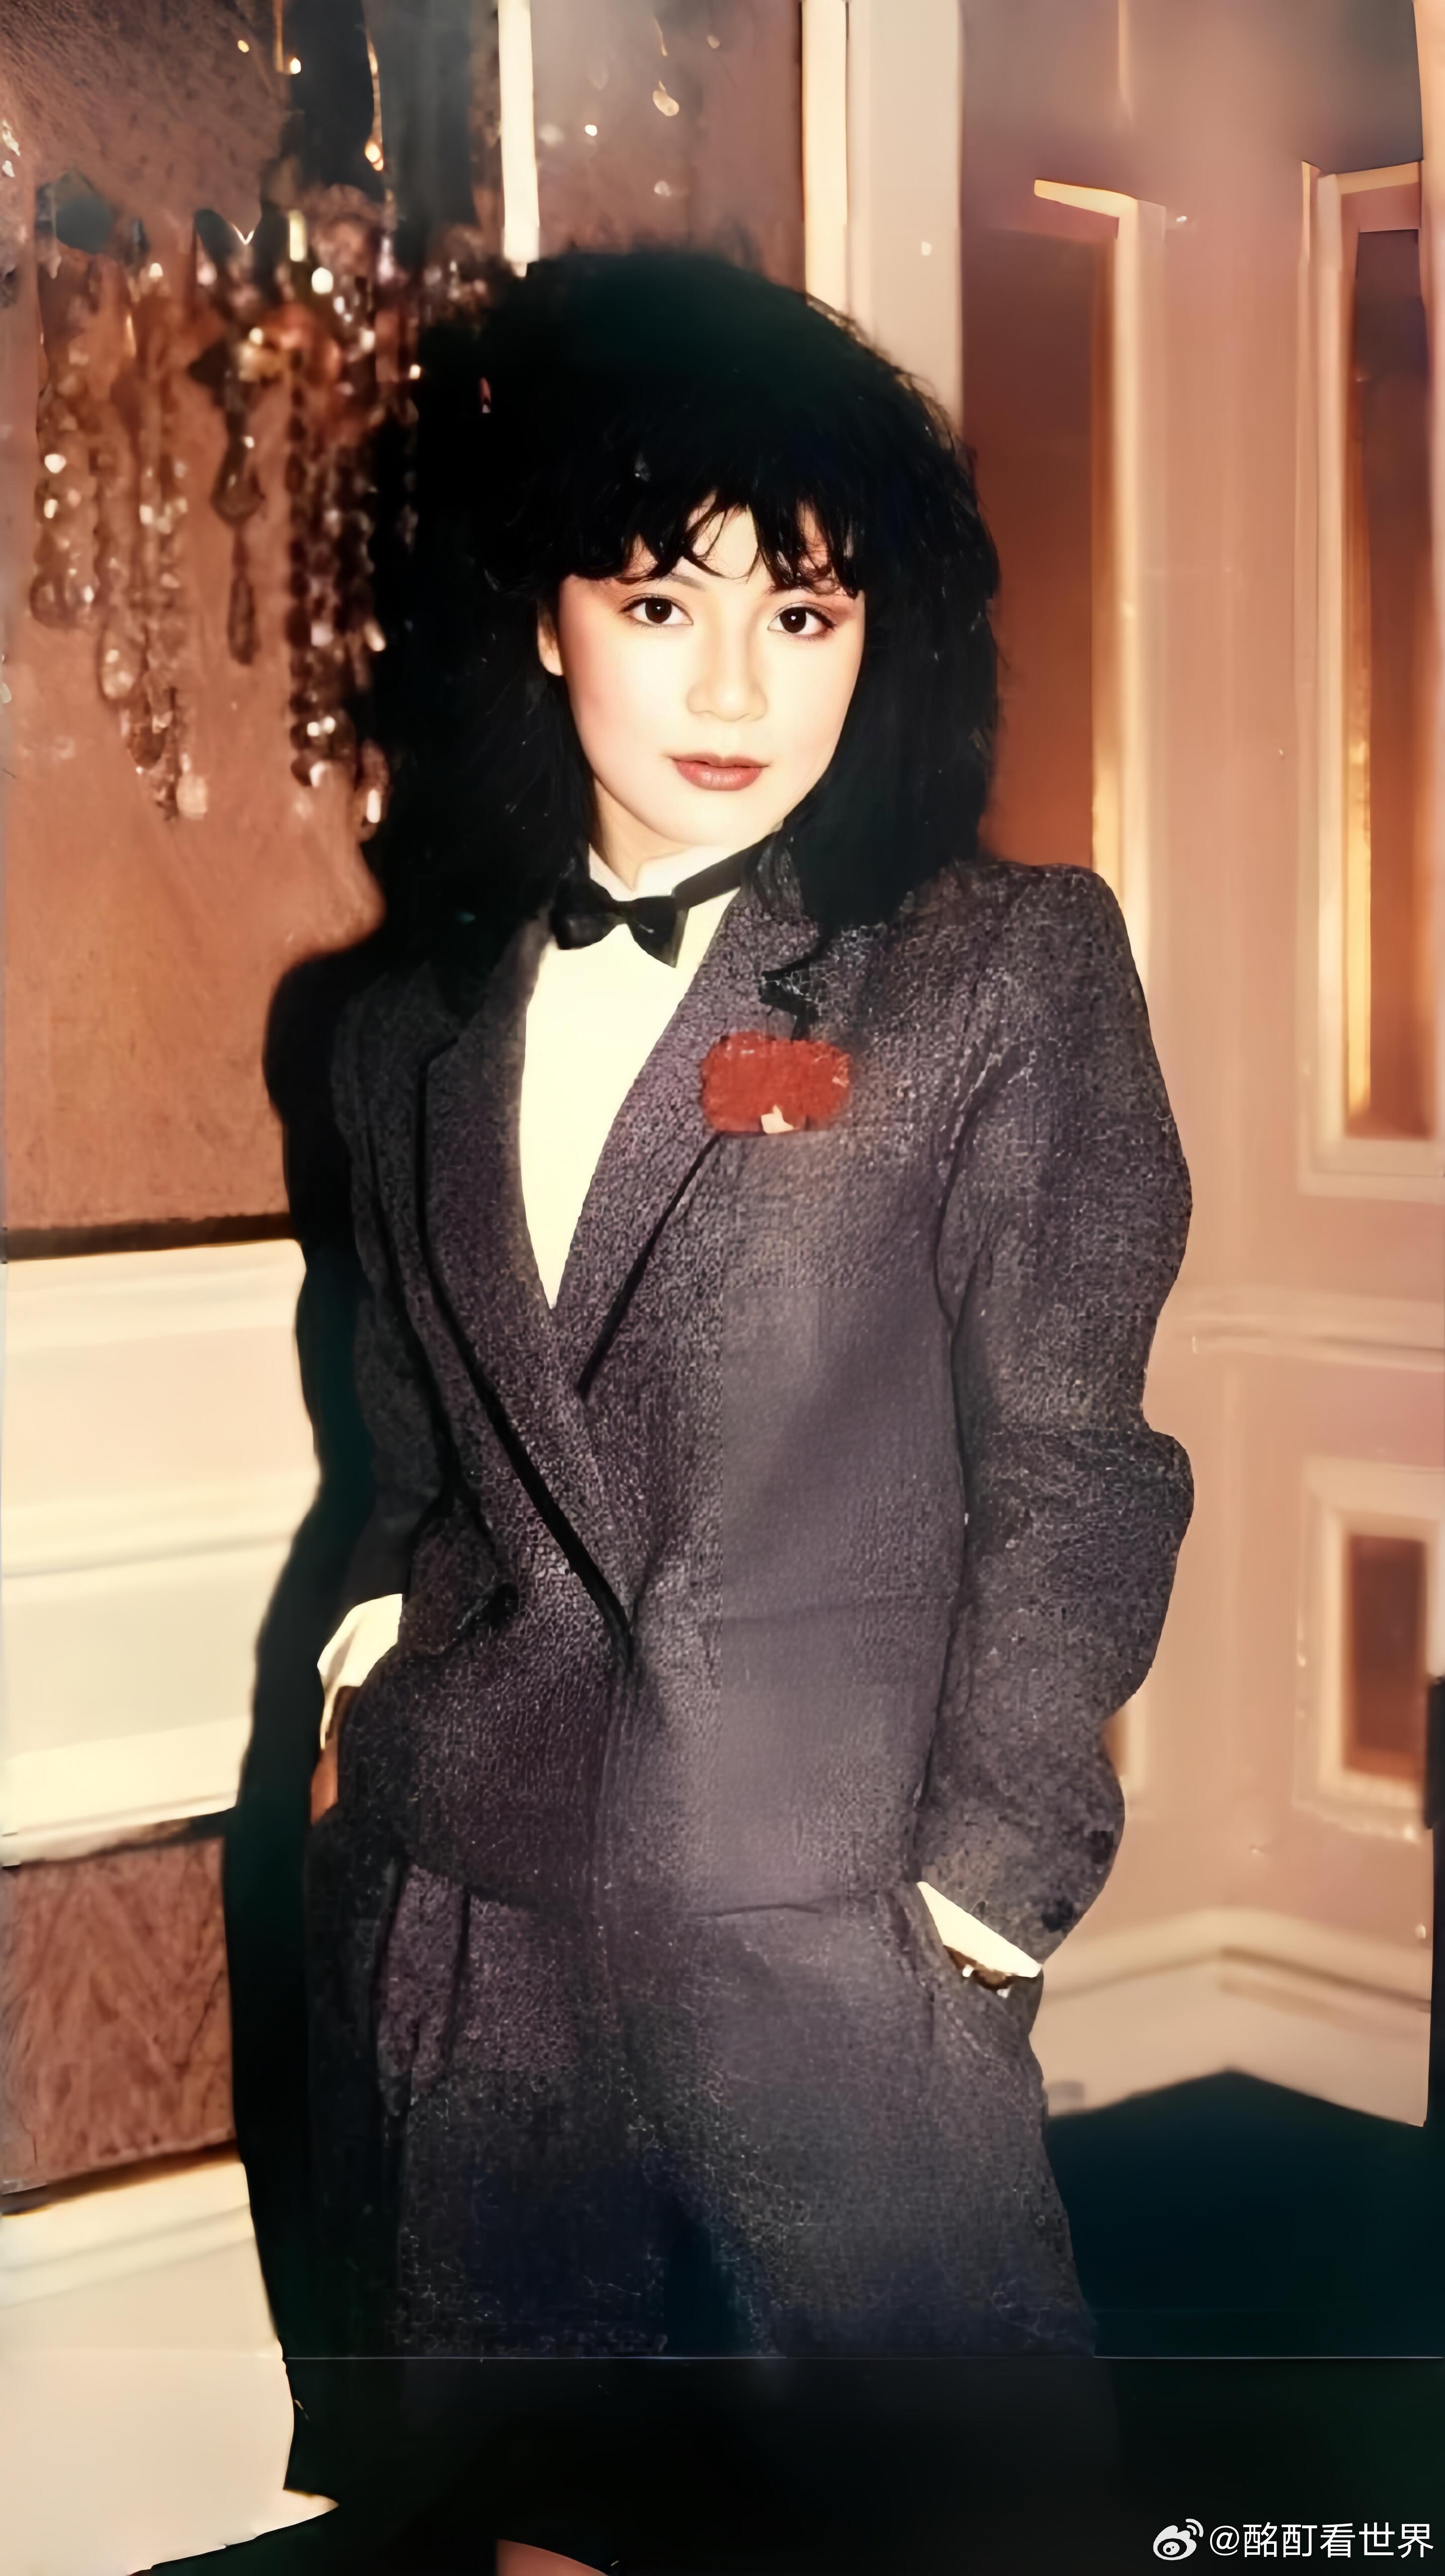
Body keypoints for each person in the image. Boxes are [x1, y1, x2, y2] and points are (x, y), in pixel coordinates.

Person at [168, 245, 1190, 2574]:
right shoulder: (393, 1033)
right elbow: (416, 1430)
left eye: (802, 612)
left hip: (831, 1937)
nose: (737, 683)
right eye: (659, 599)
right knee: (537, 2513)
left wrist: (989, 1882)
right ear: (544, 620)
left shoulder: (998, 972)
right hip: (473, 1922)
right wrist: (366, 1657)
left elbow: (1078, 1462)